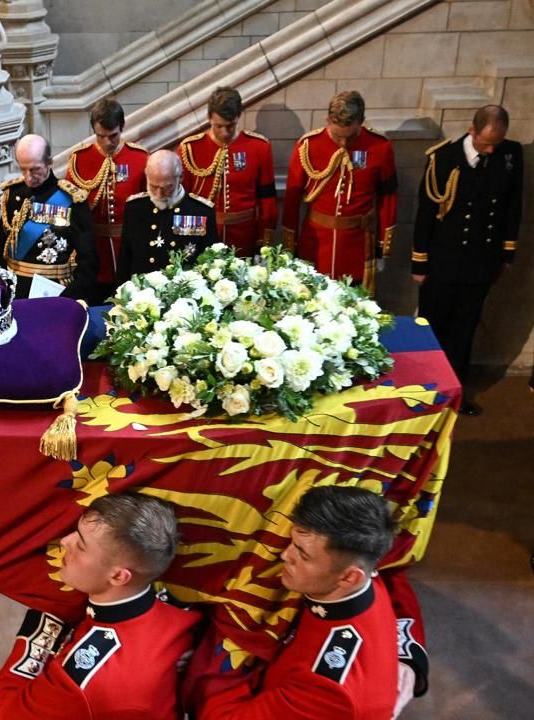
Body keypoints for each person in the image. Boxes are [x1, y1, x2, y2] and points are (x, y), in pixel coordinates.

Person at [0, 492, 200, 719]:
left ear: (118, 577)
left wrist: (49, 616)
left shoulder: (84, 680)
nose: (66, 541)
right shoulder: (184, 613)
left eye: (81, 545)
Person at [191, 485, 403, 719]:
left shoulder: (328, 691)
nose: (285, 555)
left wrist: (226, 638)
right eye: (292, 542)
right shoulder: (363, 581)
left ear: (349, 577)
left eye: (303, 555)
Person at [412, 104, 523, 417]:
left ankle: (454, 393)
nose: (490, 149)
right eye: (486, 142)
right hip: (443, 261)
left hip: (481, 262)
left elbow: (512, 207)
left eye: (496, 143)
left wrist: (507, 254)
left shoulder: (510, 156)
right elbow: (426, 215)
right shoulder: (443, 159)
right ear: (472, 130)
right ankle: (425, 391)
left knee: (464, 329)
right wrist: (419, 262)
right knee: (433, 327)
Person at [282, 90, 397, 292]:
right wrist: (291, 247)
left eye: (349, 136)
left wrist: (381, 248)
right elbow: (292, 200)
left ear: (361, 122)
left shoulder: (380, 146)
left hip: (357, 247)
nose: (343, 144)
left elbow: (388, 198)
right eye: (337, 136)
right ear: (327, 120)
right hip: (315, 243)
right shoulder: (308, 145)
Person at [0, 134, 98, 300]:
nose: (28, 177)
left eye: (35, 169)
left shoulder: (72, 199)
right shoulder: (13, 194)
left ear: (49, 162)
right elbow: (2, 247)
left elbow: (88, 260)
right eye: (23, 169)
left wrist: (68, 299)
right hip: (15, 291)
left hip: (55, 291)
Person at [66, 97, 148, 301]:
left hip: (128, 245)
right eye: (100, 136)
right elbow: (72, 207)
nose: (107, 142)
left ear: (122, 127)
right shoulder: (80, 159)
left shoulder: (139, 158)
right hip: (94, 249)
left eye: (113, 136)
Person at [179, 87, 277, 256]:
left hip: (244, 235)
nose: (224, 133)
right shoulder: (190, 149)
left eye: (230, 126)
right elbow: (182, 201)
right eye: (218, 126)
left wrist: (264, 239)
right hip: (201, 235)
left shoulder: (259, 147)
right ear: (209, 117)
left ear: (239, 116)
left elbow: (267, 199)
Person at [116, 150, 218, 279]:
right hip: (141, 293)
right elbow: (125, 259)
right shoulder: (135, 208)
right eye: (153, 187)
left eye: (167, 188)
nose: (159, 195)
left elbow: (210, 263)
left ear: (180, 177)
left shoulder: (200, 211)